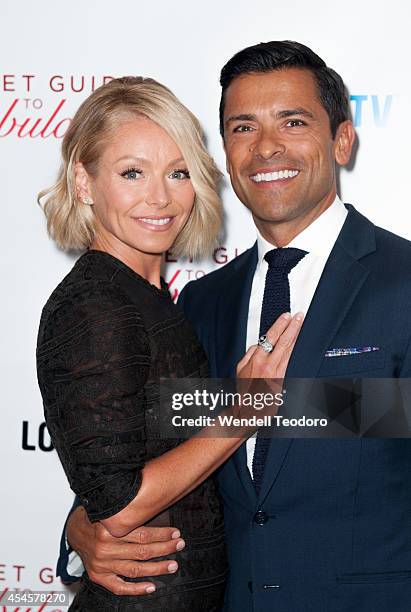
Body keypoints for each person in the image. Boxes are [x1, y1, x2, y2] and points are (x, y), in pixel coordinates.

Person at [57, 42, 411, 612]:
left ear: (342, 139)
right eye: (243, 127)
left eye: (292, 122)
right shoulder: (199, 303)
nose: (267, 146)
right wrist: (83, 527)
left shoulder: (405, 282)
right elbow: (150, 454)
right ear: (224, 151)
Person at [36, 75, 303, 611]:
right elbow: (118, 493)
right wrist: (245, 409)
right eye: (132, 172)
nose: (160, 196)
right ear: (84, 183)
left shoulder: (176, 301)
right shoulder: (102, 303)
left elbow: (145, 439)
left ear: (339, 138)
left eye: (178, 172)